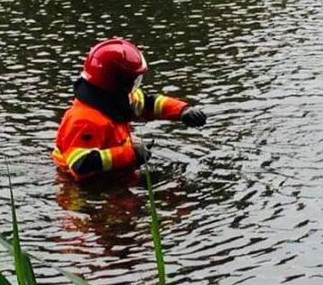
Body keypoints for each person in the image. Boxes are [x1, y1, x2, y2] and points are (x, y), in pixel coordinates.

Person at [52, 38, 207, 181]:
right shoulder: (83, 120)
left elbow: (149, 104)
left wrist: (183, 111)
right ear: (118, 82)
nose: (136, 86)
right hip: (81, 191)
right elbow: (82, 164)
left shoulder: (117, 99)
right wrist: (132, 155)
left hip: (113, 177)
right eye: (134, 80)